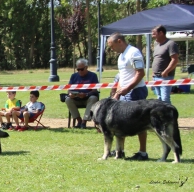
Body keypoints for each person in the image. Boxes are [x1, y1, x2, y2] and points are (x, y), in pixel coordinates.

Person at [107, 32, 149, 160]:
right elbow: (123, 76)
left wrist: (128, 88)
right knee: (120, 121)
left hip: (136, 91)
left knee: (139, 122)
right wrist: (117, 91)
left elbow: (140, 73)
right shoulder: (121, 56)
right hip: (124, 92)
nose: (111, 49)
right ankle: (120, 150)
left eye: (112, 46)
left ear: (119, 41)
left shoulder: (134, 52)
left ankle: (142, 152)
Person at [64, 58, 99, 129]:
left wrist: (86, 94)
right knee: (68, 99)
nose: (80, 71)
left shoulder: (93, 76)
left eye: (82, 69)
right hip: (76, 99)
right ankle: (79, 121)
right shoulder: (73, 76)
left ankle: (84, 122)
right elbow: (69, 89)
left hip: (88, 99)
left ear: (86, 67)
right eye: (78, 69)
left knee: (93, 98)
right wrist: (71, 94)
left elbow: (94, 90)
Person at [151, 25, 179, 104]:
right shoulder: (156, 44)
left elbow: (175, 60)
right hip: (156, 77)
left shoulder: (171, 44)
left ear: (161, 33)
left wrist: (166, 71)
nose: (152, 35)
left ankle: (169, 116)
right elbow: (157, 59)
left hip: (165, 77)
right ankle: (161, 116)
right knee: (159, 99)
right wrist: (153, 72)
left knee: (165, 99)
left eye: (154, 33)